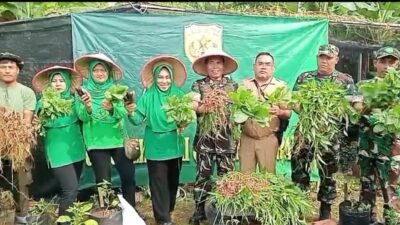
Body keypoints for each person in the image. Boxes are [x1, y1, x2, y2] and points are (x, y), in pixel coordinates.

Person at [291, 44, 358, 220]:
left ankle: (325, 211)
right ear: (317, 58)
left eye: (329, 58)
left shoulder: (345, 81)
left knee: (328, 173)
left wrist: (334, 114)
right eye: (322, 57)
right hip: (307, 132)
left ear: (336, 59)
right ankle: (299, 208)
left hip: (331, 136)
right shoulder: (305, 78)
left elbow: (354, 107)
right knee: (300, 170)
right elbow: (295, 103)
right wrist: (311, 114)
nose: (324, 61)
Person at [126, 55, 189, 225]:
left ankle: (167, 212)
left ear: (171, 78)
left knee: (172, 183)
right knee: (158, 184)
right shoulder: (148, 96)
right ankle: (163, 220)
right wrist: (131, 111)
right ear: (155, 78)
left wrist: (185, 121)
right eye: (160, 77)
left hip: (174, 145)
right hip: (155, 146)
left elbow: (186, 118)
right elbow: (138, 119)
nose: (164, 81)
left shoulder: (179, 95)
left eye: (167, 77)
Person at [74, 53, 136, 207]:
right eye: (96, 70)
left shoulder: (116, 90)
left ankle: (131, 212)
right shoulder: (83, 92)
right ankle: (106, 213)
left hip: (118, 140)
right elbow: (82, 118)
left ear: (108, 73)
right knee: (103, 182)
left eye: (103, 70)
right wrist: (87, 107)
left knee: (128, 177)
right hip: (96, 142)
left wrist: (111, 108)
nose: (100, 73)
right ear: (90, 73)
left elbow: (123, 113)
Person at [189, 48, 239, 225]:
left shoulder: (234, 86)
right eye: (211, 63)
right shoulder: (198, 84)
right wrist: (203, 107)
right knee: (203, 176)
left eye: (218, 63)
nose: (215, 66)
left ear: (224, 66)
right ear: (206, 66)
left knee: (226, 176)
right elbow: (194, 104)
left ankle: (225, 209)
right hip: (205, 141)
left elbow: (239, 109)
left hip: (227, 141)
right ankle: (199, 210)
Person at [32, 66, 86, 219]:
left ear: (68, 83)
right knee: (70, 189)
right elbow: (37, 124)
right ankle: (64, 222)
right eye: (54, 81)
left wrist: (85, 105)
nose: (58, 84)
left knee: (72, 190)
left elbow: (84, 117)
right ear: (49, 84)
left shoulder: (75, 101)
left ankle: (71, 218)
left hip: (76, 149)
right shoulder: (42, 103)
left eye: (61, 80)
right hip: (57, 151)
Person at [356, 46, 400, 224]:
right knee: (367, 186)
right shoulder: (364, 86)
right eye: (382, 61)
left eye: (391, 62)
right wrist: (366, 107)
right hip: (367, 145)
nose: (386, 66)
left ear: (397, 65)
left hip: (391, 149)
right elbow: (356, 106)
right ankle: (369, 219)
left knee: (390, 187)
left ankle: (391, 220)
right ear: (375, 63)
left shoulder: (397, 88)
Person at [239, 51, 291, 174]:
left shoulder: (281, 86)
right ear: (254, 66)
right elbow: (236, 109)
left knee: (268, 177)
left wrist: (279, 112)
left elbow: (288, 113)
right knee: (245, 177)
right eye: (260, 63)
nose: (263, 67)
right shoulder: (244, 85)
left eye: (267, 64)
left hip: (268, 138)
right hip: (247, 138)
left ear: (273, 68)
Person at [0, 52, 36, 216]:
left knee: (22, 180)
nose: (6, 70)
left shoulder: (26, 92)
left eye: (10, 67)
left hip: (19, 143)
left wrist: (22, 140)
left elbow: (27, 120)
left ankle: (22, 215)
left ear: (17, 71)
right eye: (3, 67)